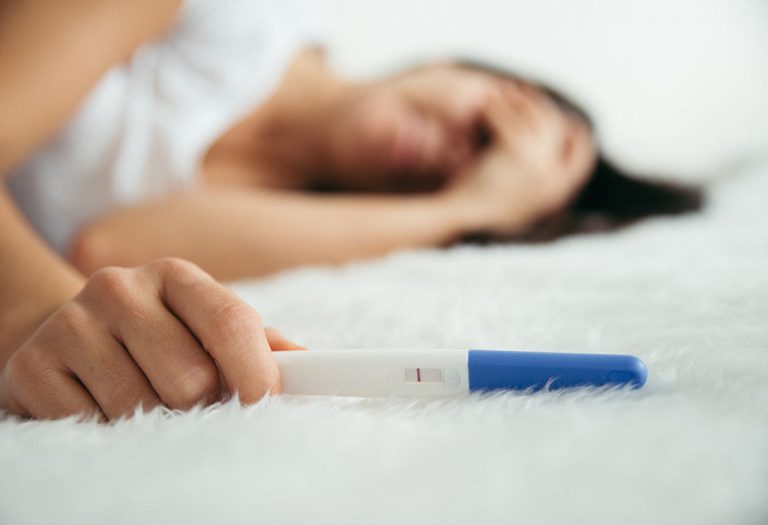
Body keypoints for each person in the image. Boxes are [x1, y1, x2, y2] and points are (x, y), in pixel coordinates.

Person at [0, 0, 700, 421]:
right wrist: (30, 305)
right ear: (456, 63)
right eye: (487, 130)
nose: (452, 158)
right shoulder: (234, 20)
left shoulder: (297, 220)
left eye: (476, 176)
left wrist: (464, 208)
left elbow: (105, 248)